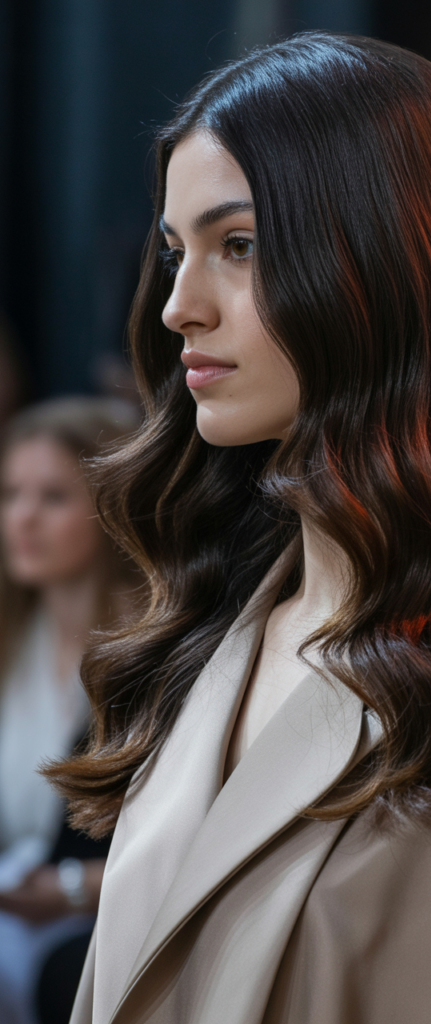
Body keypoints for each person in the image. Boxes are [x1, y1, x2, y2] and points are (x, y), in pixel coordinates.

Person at [46, 34, 431, 1024]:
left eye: (238, 245)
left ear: (383, 260)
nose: (181, 307)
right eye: (174, 251)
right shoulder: (218, 625)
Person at [0, 397, 139, 1024]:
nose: (22, 519)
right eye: (10, 495)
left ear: (109, 505)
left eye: (53, 497)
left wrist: (69, 889)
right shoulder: (9, 642)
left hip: (100, 937)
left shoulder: (150, 661)